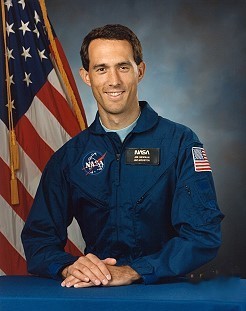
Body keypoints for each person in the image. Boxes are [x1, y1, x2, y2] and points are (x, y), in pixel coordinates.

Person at [21, 24, 224, 288]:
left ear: (140, 71)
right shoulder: (70, 158)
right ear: (86, 76)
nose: (113, 80)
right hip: (95, 291)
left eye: (123, 67)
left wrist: (134, 270)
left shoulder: (180, 143)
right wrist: (69, 266)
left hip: (166, 291)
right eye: (101, 68)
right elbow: (38, 239)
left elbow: (203, 234)